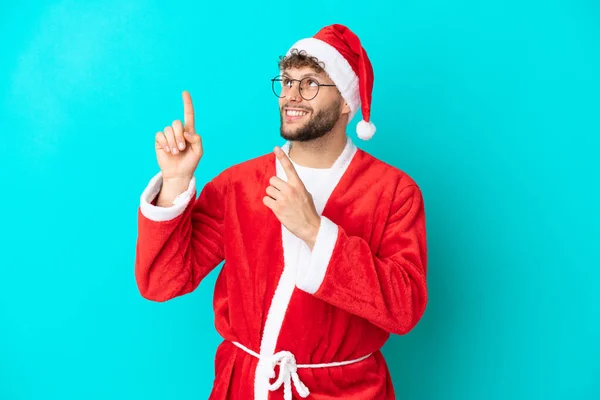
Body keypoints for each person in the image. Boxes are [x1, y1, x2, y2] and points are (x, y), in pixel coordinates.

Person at [135, 23, 428, 400]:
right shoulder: (239, 184)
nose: (292, 95)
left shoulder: (393, 192)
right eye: (287, 82)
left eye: (309, 84)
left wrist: (315, 230)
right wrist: (175, 182)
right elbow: (162, 280)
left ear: (345, 103)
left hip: (345, 392)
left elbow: (404, 309)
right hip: (244, 387)